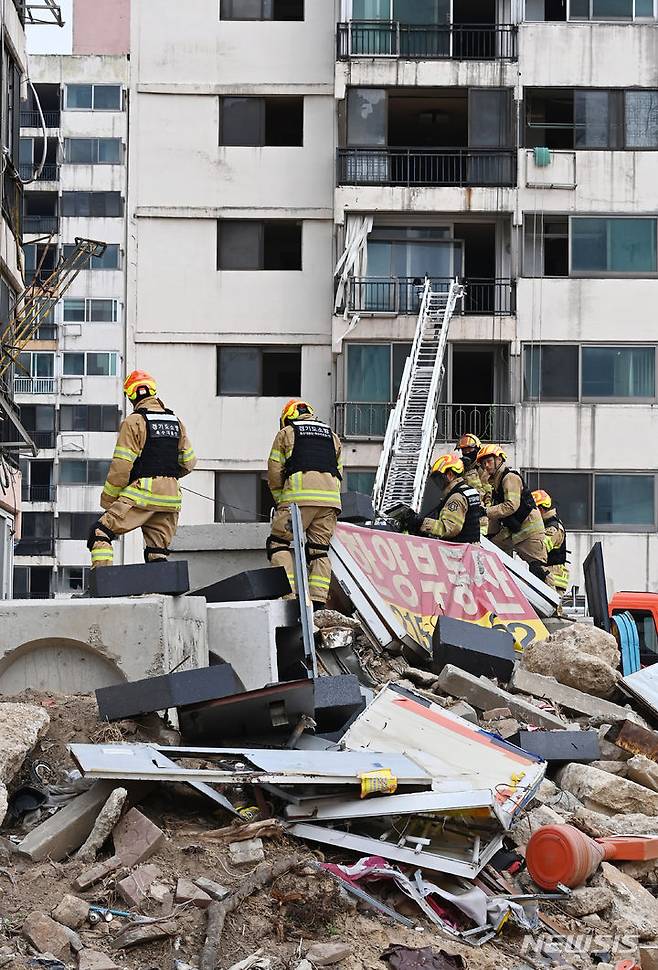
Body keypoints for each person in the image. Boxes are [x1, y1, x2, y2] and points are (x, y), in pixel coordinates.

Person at [88, 370, 196, 569]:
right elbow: (189, 462)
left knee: (100, 532)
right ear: (153, 391)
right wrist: (168, 478)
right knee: (157, 551)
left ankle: (102, 580)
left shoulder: (133, 421)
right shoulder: (175, 421)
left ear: (130, 395)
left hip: (143, 493)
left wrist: (110, 501)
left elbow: (121, 467)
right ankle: (161, 591)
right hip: (172, 497)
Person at [267, 399, 342, 610]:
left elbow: (274, 472)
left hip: (298, 500)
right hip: (330, 502)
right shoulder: (332, 436)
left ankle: (287, 596)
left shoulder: (286, 433)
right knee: (318, 550)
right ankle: (318, 603)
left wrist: (281, 500)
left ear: (288, 417)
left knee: (279, 543)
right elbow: (339, 472)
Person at [476, 444, 548, 580]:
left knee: (539, 571)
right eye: (483, 463)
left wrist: (485, 511)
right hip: (514, 530)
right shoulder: (496, 483)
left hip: (529, 531)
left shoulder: (509, 478)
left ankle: (555, 601)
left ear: (499, 460)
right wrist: (490, 537)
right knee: (491, 551)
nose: (486, 466)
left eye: (489, 461)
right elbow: (498, 513)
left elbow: (511, 506)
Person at [402, 452, 482, 543]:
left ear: (450, 475)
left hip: (458, 551)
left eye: (438, 477)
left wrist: (420, 522)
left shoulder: (456, 497)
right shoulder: (469, 491)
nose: (436, 482)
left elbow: (449, 529)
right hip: (471, 549)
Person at [533, 489, 570, 593]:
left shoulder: (553, 528)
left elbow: (540, 549)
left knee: (551, 608)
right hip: (547, 576)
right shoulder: (545, 525)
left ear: (540, 509)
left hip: (552, 579)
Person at [456, 432, 492, 534]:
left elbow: (485, 493)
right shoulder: (461, 468)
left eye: (469, 449)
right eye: (464, 450)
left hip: (481, 518)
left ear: (476, 449)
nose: (466, 452)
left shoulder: (484, 469)